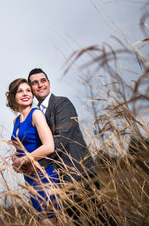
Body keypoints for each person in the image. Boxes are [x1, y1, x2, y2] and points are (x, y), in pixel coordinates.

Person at [28, 68, 108, 225]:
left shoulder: (62, 103)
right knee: (76, 222)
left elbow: (62, 137)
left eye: (43, 81)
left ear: (49, 84)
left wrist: (36, 162)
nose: (40, 85)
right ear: (31, 88)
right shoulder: (36, 114)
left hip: (79, 172)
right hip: (60, 179)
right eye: (35, 82)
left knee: (99, 219)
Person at [6, 78, 60, 225]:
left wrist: (24, 160)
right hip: (30, 179)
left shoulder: (36, 114)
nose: (26, 94)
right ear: (13, 97)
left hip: (44, 176)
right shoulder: (16, 121)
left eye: (28, 90)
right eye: (20, 91)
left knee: (50, 221)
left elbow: (49, 146)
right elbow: (21, 147)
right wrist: (15, 159)